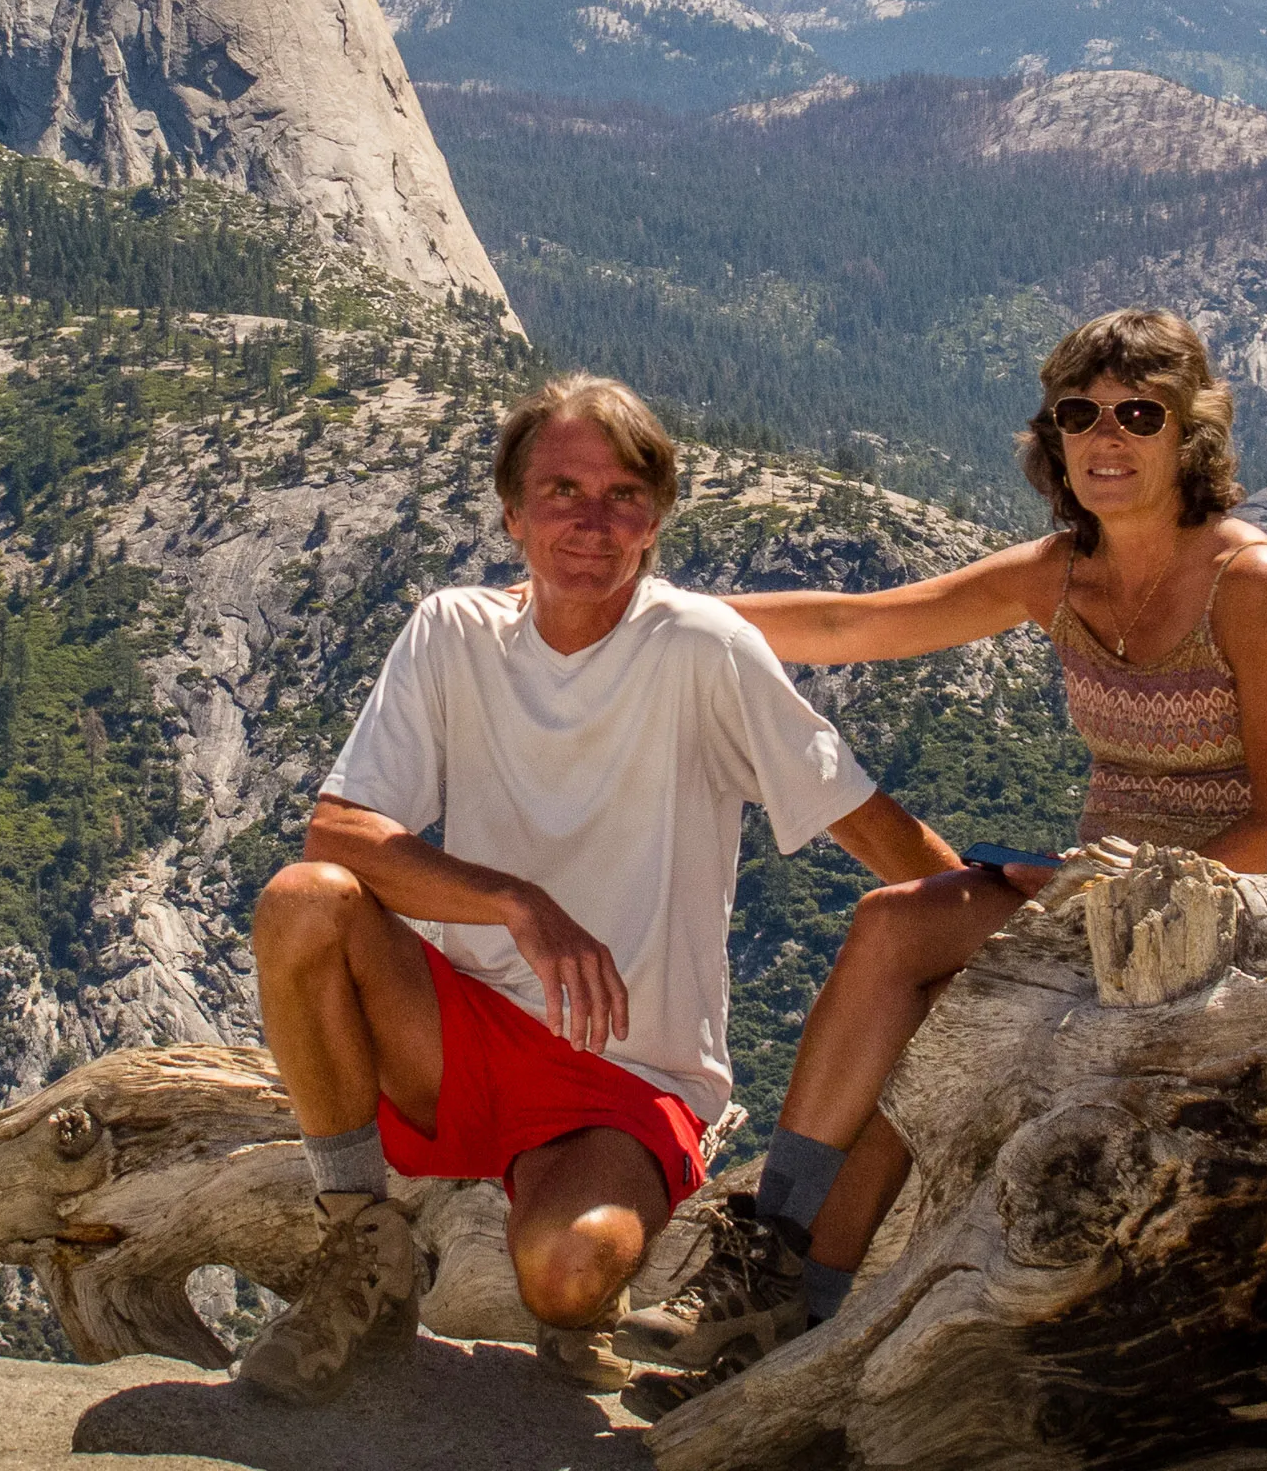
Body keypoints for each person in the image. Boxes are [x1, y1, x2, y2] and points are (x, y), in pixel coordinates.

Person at [614, 308, 1267, 1415]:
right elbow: (859, 626)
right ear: (1052, 435)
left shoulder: (1248, 580)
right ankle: (779, 1264)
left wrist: (1128, 885)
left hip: (1232, 911)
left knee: (937, 989)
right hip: (1092, 893)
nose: (1108, 437)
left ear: (1190, 433)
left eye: (1141, 414)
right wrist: (651, 614)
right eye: (1080, 414)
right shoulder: (1063, 571)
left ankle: (792, 1301)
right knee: (898, 929)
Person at [237, 371, 969, 1405]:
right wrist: (517, 904)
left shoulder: (702, 650)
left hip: (631, 1068)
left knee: (568, 1273)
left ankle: (576, 1275)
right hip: (462, 1029)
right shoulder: (454, 630)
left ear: (657, 517)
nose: (591, 520)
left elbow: (863, 818)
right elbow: (341, 830)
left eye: (622, 493)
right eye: (562, 491)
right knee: (304, 897)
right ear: (512, 513)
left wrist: (1000, 922)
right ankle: (363, 1243)